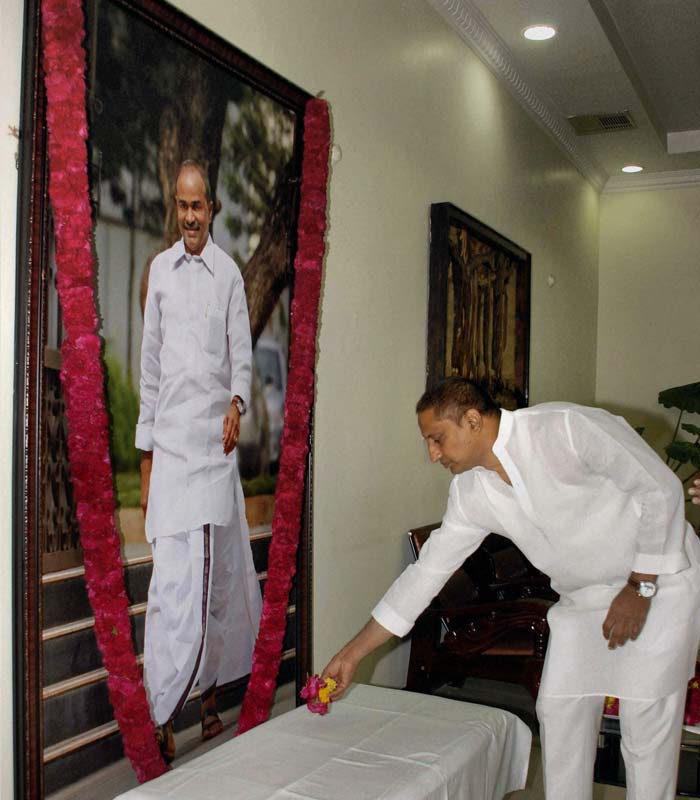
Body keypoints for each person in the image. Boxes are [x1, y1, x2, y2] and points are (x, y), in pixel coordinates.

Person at [323, 378, 700, 800]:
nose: (433, 454)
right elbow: (424, 575)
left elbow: (660, 488)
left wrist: (640, 585)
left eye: (437, 439)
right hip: (582, 603)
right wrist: (353, 653)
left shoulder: (566, 428)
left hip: (660, 583)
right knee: (559, 714)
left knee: (645, 731)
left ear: (471, 420)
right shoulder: (471, 493)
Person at [136, 160, 262, 761]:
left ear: (211, 208)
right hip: (171, 452)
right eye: (182, 205)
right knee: (170, 589)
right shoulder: (159, 272)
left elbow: (241, 351)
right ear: (175, 208)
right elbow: (150, 369)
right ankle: (162, 708)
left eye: (199, 205)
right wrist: (146, 460)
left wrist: (237, 402)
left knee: (211, 585)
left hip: (212, 454)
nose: (190, 215)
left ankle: (197, 703)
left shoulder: (229, 276)